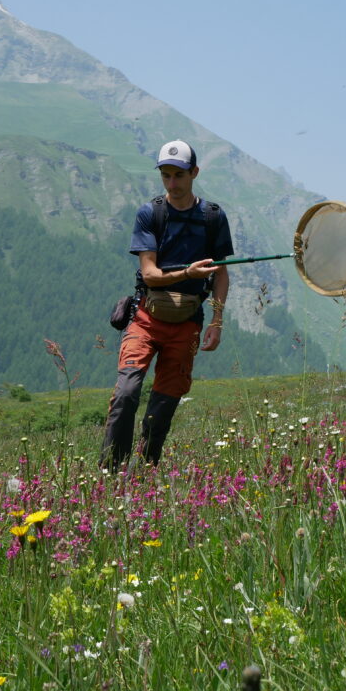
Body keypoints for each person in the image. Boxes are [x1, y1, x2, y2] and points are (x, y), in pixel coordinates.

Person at [100, 139, 233, 470]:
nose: (172, 183)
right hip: (145, 317)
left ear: (194, 173)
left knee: (162, 408)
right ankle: (109, 473)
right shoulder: (151, 213)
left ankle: (144, 475)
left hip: (187, 323)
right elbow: (150, 274)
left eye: (179, 175)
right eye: (166, 176)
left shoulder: (214, 217)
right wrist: (188, 272)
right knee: (127, 393)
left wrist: (216, 322)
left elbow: (221, 274)